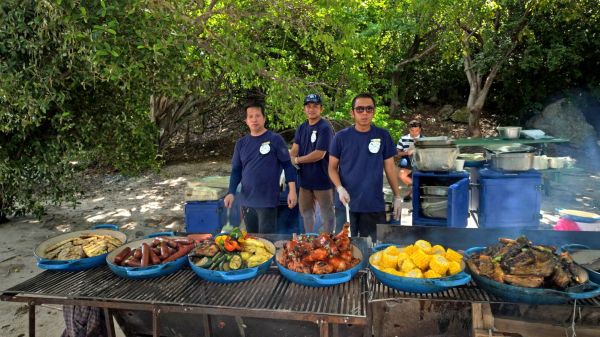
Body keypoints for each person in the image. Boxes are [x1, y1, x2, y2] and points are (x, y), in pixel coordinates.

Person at [328, 93, 402, 239]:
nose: (365, 113)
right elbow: (331, 168)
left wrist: (397, 196)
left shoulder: (383, 135)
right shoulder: (341, 137)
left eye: (369, 109)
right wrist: (339, 188)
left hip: (373, 204)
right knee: (344, 249)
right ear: (352, 112)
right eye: (360, 109)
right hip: (346, 204)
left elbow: (390, 168)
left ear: (373, 112)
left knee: (373, 248)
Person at [223, 102, 297, 233]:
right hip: (247, 201)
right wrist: (231, 192)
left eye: (257, 115)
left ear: (264, 118)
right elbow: (236, 171)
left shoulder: (276, 139)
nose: (254, 119)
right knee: (252, 241)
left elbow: (288, 165)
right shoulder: (241, 144)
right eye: (250, 116)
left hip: (267, 200)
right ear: (246, 121)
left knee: (267, 241)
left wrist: (292, 190)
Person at [290, 94, 335, 233]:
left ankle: (328, 241)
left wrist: (297, 160)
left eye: (315, 106)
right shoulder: (302, 127)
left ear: (321, 109)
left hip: (323, 180)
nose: (311, 109)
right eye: (308, 106)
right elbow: (295, 148)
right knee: (307, 213)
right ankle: (309, 239)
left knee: (327, 215)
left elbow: (319, 154)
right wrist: (290, 158)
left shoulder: (325, 127)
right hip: (305, 181)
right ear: (304, 109)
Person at [396, 119, 423, 201]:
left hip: (421, 161)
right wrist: (407, 153)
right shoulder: (403, 139)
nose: (414, 133)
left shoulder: (424, 139)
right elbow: (396, 153)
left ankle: (412, 193)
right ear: (409, 129)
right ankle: (416, 189)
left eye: (417, 131)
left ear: (420, 130)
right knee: (401, 175)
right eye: (412, 130)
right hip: (407, 160)